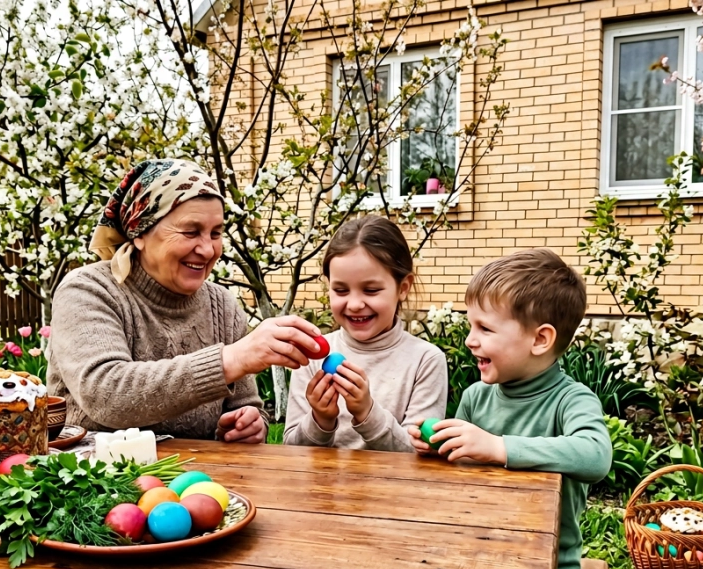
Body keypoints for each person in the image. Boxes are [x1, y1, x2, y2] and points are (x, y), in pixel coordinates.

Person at [407, 249, 611, 569]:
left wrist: (499, 447)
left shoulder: (570, 400)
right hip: (474, 560)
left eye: (485, 328)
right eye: (471, 325)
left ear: (540, 339)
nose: (470, 339)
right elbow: (463, 470)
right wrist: (439, 447)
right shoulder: (476, 396)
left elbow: (595, 456)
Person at [46, 159, 323, 445]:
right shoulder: (89, 290)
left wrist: (249, 423)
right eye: (190, 232)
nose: (208, 250)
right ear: (139, 233)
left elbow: (245, 405)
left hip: (198, 472)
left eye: (216, 233)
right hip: (94, 470)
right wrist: (231, 359)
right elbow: (106, 395)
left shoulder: (222, 306)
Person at [284, 215, 447, 452]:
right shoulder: (313, 355)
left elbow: (418, 454)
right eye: (340, 290)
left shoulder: (426, 360)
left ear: (403, 288)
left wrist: (367, 412)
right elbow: (290, 451)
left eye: (371, 290)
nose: (354, 304)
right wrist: (321, 419)